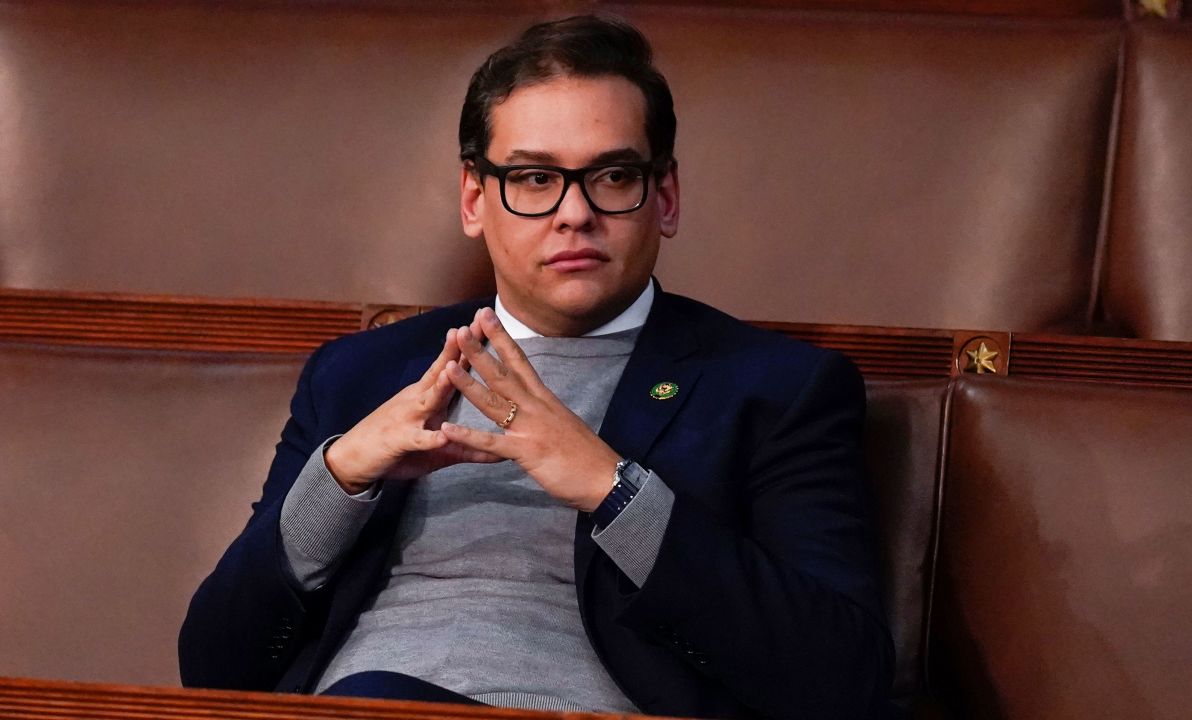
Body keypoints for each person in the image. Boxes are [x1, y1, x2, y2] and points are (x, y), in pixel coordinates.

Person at [179, 14, 892, 720]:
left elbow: (842, 680)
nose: (574, 213)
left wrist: (612, 490)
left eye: (613, 176)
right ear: (473, 199)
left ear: (665, 198)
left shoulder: (777, 388)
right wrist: (336, 482)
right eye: (533, 177)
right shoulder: (359, 374)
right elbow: (212, 667)